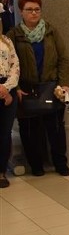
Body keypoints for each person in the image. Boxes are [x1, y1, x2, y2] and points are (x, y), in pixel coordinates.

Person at [8, 0, 69, 176]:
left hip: (51, 88)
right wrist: (17, 87)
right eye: (29, 10)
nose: (34, 13)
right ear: (21, 12)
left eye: (37, 9)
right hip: (26, 90)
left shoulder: (51, 31)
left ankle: (61, 164)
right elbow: (9, 64)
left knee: (56, 128)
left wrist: (64, 83)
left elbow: (63, 59)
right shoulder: (13, 35)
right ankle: (36, 166)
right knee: (29, 130)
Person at [0, 33, 19, 188]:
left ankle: (1, 172)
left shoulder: (6, 40)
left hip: (7, 88)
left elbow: (15, 66)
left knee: (4, 134)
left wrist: (6, 88)